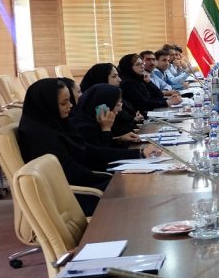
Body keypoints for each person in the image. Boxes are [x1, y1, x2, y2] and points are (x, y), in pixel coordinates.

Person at [17, 78, 158, 214]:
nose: (71, 106)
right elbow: (73, 172)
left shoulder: (56, 125)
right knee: (138, 189)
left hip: (84, 184)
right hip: (74, 196)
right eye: (64, 103)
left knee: (139, 184)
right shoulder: (42, 137)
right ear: (48, 104)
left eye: (69, 101)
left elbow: (88, 150)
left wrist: (138, 154)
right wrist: (117, 180)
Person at [71, 83, 140, 146]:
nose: (120, 109)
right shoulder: (84, 127)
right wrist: (106, 129)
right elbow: (101, 152)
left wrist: (119, 139)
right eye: (117, 105)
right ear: (102, 107)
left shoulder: (92, 120)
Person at [80, 62, 140, 134]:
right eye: (114, 77)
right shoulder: (95, 106)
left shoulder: (114, 95)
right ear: (101, 78)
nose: (119, 80)